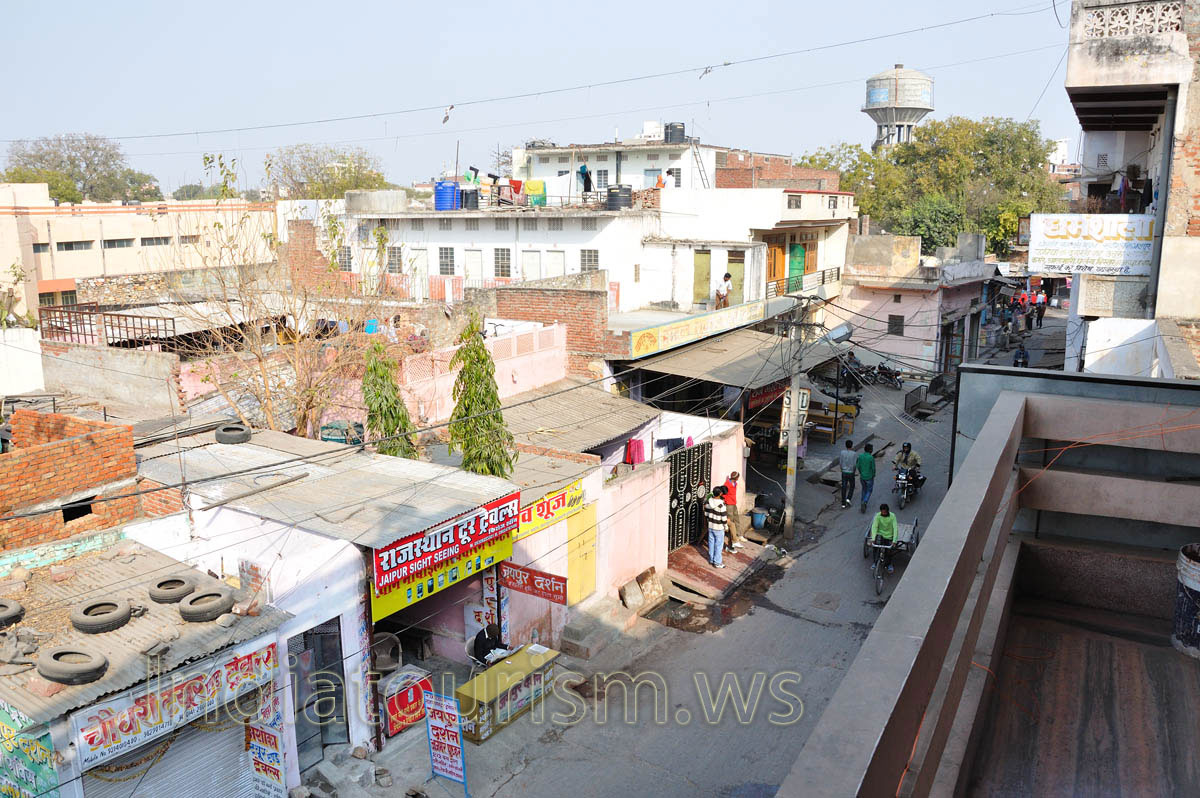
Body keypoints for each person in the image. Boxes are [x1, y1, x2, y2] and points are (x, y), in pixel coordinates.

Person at [870, 503, 899, 574]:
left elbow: (895, 528)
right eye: (882, 512)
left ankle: (888, 564)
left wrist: (894, 540)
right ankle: (875, 562)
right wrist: (873, 538)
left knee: (889, 551)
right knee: (876, 547)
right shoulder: (878, 516)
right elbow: (874, 527)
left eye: (884, 512)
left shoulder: (892, 516)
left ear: (887, 511)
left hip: (889, 536)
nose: (883, 513)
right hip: (880, 534)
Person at [704, 485, 728, 569]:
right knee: (719, 545)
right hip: (719, 527)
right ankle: (717, 562)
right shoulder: (722, 505)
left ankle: (711, 560)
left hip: (710, 526)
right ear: (720, 494)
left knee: (711, 543)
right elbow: (724, 518)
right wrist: (726, 526)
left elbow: (706, 514)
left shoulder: (708, 502)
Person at [723, 471, 745, 550]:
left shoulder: (735, 483)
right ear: (735, 478)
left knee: (737, 519)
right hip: (729, 504)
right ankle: (732, 539)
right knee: (731, 522)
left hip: (733, 503)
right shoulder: (727, 484)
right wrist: (726, 502)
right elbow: (724, 495)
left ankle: (739, 535)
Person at [857, 443, 878, 514]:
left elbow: (858, 466)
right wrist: (873, 475)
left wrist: (861, 473)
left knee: (864, 489)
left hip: (862, 476)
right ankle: (865, 501)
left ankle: (862, 502)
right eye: (871, 449)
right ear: (870, 450)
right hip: (869, 477)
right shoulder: (871, 458)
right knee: (869, 490)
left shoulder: (860, 456)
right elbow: (873, 468)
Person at [839, 439, 857, 508]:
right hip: (851, 472)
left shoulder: (842, 452)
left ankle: (843, 504)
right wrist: (854, 471)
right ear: (852, 446)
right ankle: (848, 498)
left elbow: (840, 462)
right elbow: (855, 464)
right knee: (852, 486)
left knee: (844, 487)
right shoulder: (854, 454)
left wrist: (841, 469)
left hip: (844, 471)